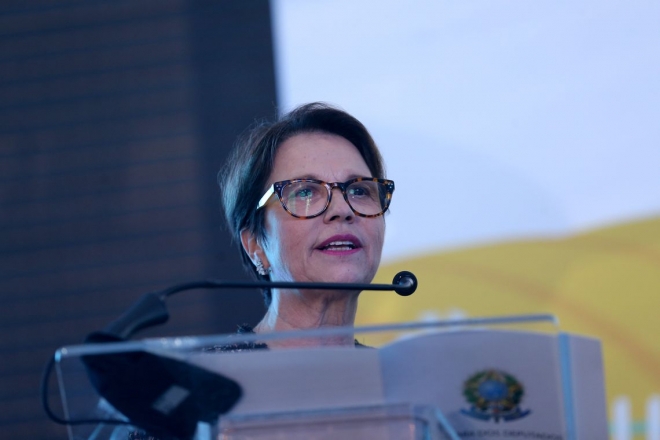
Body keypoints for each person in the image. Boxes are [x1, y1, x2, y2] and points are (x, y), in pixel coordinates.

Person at [218, 102, 395, 348]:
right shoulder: (206, 371)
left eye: (359, 191)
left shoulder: (402, 371)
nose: (342, 210)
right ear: (255, 244)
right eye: (305, 193)